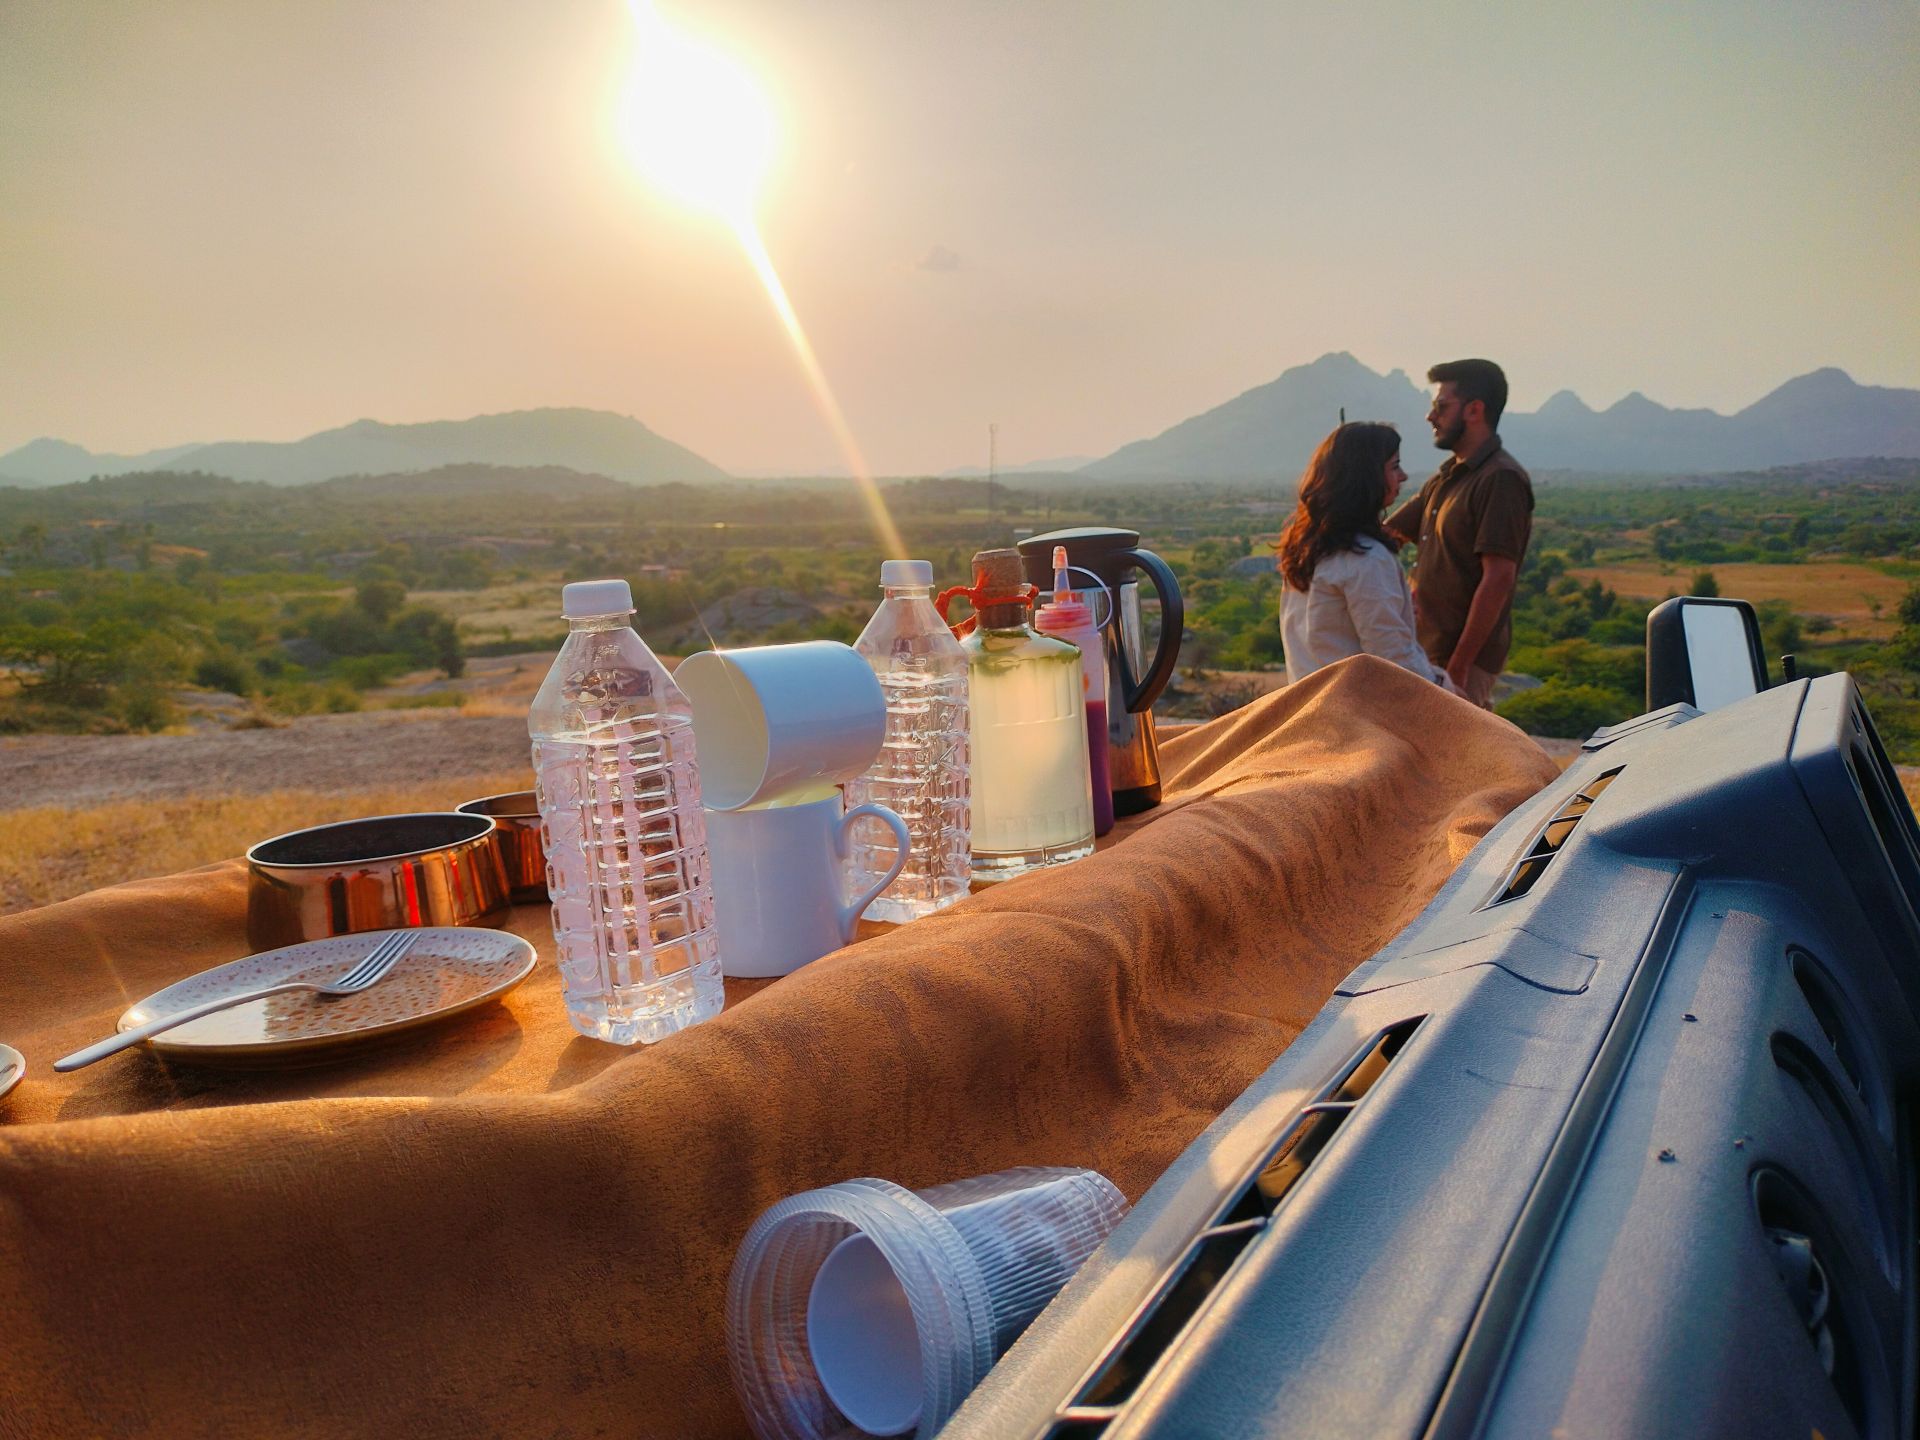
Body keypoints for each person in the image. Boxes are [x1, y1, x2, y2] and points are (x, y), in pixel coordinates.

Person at [1385, 359, 1534, 709]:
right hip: (1427, 653)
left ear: (1474, 410)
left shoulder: (1500, 479)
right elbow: (1388, 534)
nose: (1430, 416)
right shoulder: (1448, 477)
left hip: (1457, 662)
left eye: (1441, 406)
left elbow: (1498, 578)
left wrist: (1460, 667)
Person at [1277, 421, 1458, 691]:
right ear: (1368, 476)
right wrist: (1447, 689)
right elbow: (1395, 663)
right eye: (1394, 466)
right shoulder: (1366, 560)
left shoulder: (1308, 550)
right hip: (1354, 719)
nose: (1403, 476)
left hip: (1310, 707)